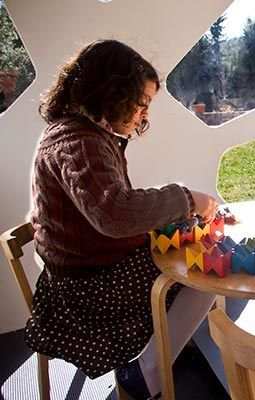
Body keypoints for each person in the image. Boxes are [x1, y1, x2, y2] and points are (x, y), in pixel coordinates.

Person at [26, 39, 219, 399]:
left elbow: (108, 208)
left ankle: (170, 343)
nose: (144, 114)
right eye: (141, 102)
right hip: (88, 290)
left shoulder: (78, 132)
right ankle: (148, 373)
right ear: (110, 91)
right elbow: (114, 213)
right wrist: (187, 198)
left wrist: (169, 211)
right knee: (203, 272)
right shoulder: (78, 141)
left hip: (83, 269)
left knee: (188, 249)